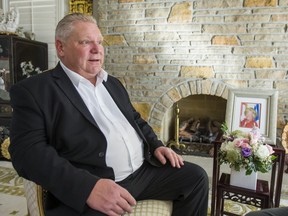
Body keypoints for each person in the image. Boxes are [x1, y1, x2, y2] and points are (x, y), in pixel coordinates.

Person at [8, 13, 209, 216]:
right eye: (86, 42)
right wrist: (87, 188)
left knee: (196, 178)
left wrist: (156, 145)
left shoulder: (112, 83)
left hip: (143, 172)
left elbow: (135, 119)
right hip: (96, 183)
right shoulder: (34, 91)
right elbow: (27, 153)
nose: (97, 50)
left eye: (99, 42)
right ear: (61, 48)